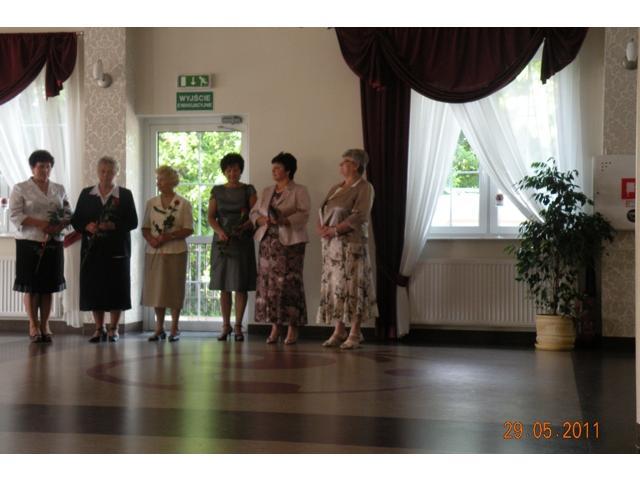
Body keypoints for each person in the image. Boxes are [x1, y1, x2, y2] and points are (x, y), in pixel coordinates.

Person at [71, 156, 138, 343]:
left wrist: (113, 226)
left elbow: (133, 222)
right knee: (95, 289)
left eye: (110, 172)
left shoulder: (124, 195)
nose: (106, 175)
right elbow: (76, 220)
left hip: (117, 251)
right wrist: (87, 226)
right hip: (92, 251)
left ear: (117, 173)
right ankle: (98, 328)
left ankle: (113, 329)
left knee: (116, 288)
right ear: (97, 172)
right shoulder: (87, 194)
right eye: (102, 171)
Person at [316, 149, 378, 349]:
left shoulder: (364, 187)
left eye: (345, 162)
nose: (340, 165)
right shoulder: (336, 187)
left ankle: (355, 332)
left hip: (352, 246)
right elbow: (322, 210)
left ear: (356, 165)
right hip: (332, 248)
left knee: (353, 288)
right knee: (337, 288)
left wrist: (335, 230)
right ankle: (339, 330)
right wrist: (321, 228)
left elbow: (359, 216)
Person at [9, 149, 71, 343]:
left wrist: (58, 225)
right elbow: (14, 214)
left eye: (48, 166)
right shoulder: (20, 188)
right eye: (41, 166)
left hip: (53, 242)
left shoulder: (59, 188)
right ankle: (33, 325)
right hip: (29, 242)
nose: (45, 170)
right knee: (32, 286)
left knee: (48, 286)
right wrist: (40, 223)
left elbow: (68, 212)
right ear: (32, 167)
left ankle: (45, 325)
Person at [250, 152, 310, 345]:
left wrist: (285, 220)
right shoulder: (267, 191)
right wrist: (261, 220)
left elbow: (304, 214)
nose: (274, 171)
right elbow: (253, 213)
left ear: (288, 170)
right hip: (268, 243)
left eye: (278, 168)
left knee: (289, 284)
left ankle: (292, 327)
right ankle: (275, 326)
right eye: (273, 168)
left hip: (290, 243)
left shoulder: (299, 190)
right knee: (269, 286)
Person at [141, 165, 194, 342]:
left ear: (171, 182)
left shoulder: (183, 204)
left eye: (161, 180)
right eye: (158, 180)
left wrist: (169, 236)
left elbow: (188, 229)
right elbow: (145, 228)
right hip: (154, 252)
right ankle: (159, 328)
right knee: (157, 290)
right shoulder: (151, 203)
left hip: (176, 252)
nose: (158, 183)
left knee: (174, 289)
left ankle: (174, 328)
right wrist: (152, 240)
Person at [208, 153, 256, 342]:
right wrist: (220, 232)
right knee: (224, 285)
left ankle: (238, 327)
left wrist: (244, 226)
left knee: (240, 284)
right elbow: (211, 217)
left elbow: (255, 214)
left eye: (235, 169)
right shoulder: (217, 190)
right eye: (228, 170)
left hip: (242, 240)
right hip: (222, 241)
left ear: (240, 170)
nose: (232, 173)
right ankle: (225, 325)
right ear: (224, 172)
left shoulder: (248, 189)